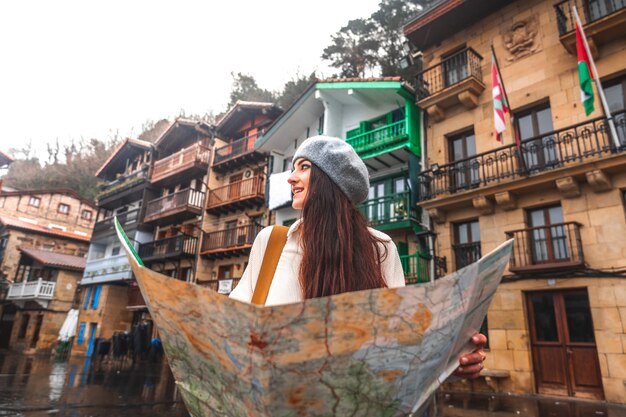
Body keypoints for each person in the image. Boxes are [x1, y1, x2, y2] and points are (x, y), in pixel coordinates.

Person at [230, 135, 487, 379]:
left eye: (304, 166)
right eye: (293, 168)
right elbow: (231, 326)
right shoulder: (271, 241)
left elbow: (397, 345)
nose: (291, 178)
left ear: (331, 180)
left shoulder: (380, 248)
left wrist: (448, 364)